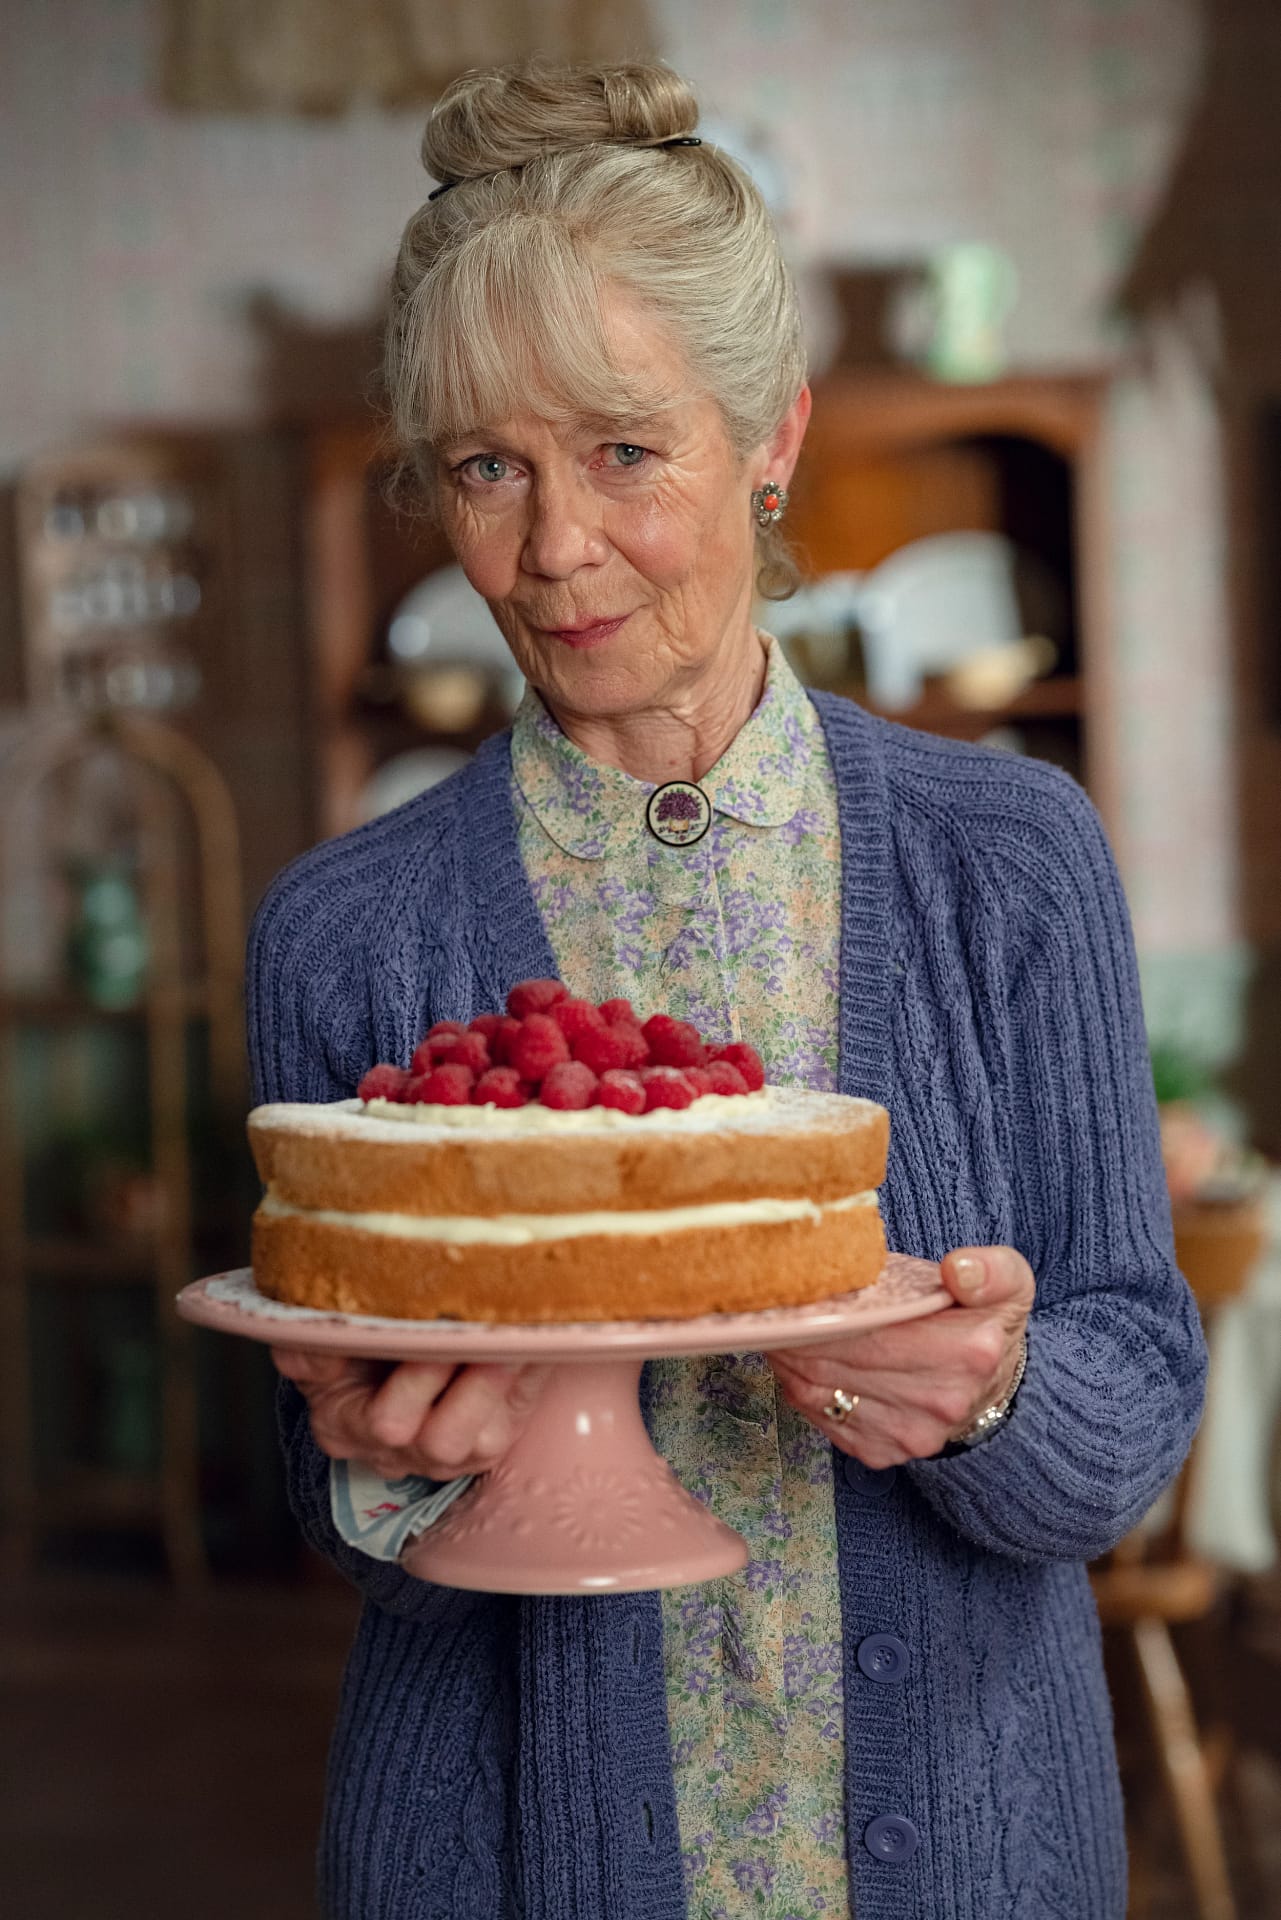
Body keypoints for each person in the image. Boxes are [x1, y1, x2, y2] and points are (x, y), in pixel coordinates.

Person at [249, 59, 1207, 1920]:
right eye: (487, 467)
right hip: (502, 1865)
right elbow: (329, 1497)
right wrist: (381, 1468)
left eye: (623, 450)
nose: (553, 550)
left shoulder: (1011, 858)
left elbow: (1132, 1408)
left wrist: (994, 1395)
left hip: (969, 1853)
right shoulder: (342, 931)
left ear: (771, 434)